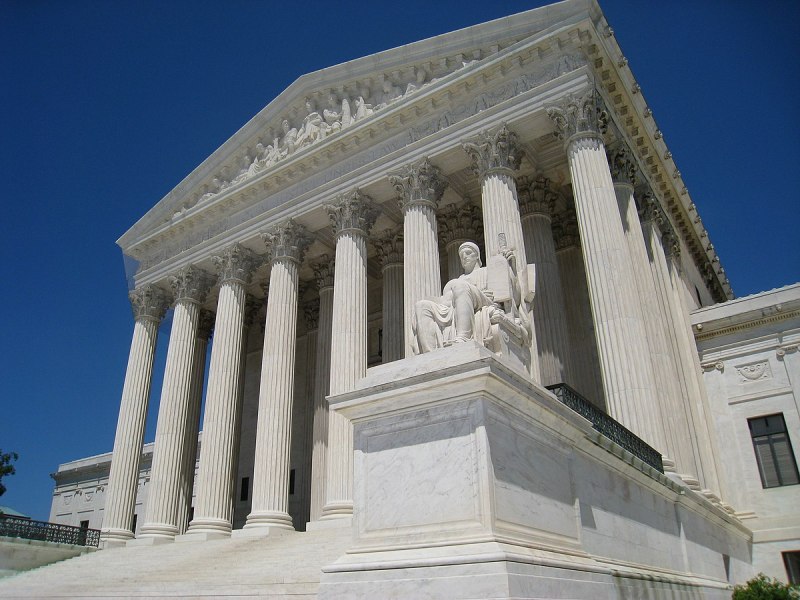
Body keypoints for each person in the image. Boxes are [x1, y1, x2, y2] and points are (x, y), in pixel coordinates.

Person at [412, 241, 520, 353]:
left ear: (477, 256)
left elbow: (512, 296)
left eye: (468, 253)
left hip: (485, 301)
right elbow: (445, 301)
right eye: (461, 255)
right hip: (453, 305)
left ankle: (464, 337)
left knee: (460, 286)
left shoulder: (486, 271)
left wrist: (510, 267)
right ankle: (430, 353)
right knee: (421, 305)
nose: (464, 257)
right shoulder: (459, 279)